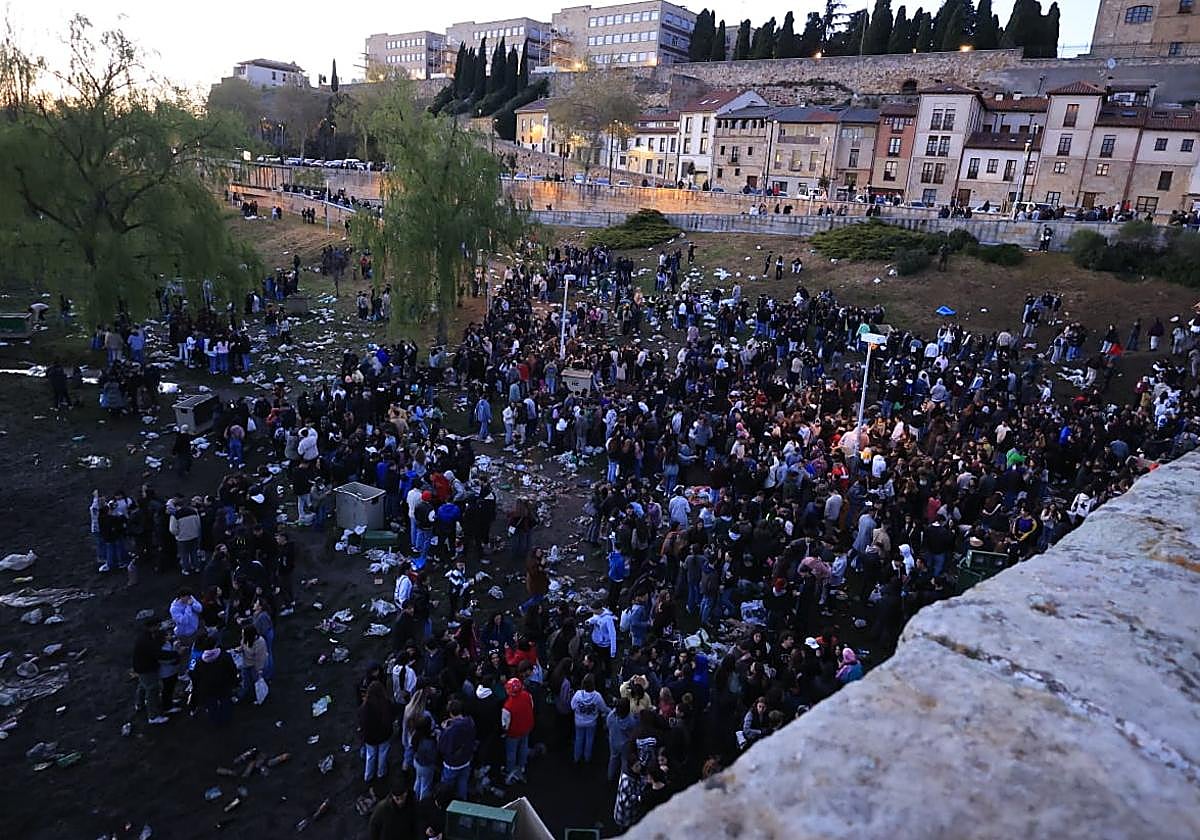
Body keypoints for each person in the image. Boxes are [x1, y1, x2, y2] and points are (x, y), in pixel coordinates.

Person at [131, 617, 174, 725]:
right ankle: (153, 716)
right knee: (152, 690)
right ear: (152, 627)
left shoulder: (144, 636)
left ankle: (139, 704)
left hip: (140, 666)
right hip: (147, 668)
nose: (159, 627)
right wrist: (175, 654)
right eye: (158, 625)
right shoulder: (147, 641)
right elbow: (158, 654)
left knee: (142, 685)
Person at [438, 698, 477, 799]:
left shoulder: (451, 731)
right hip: (466, 760)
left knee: (446, 788)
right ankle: (462, 803)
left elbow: (443, 747)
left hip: (452, 764)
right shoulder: (470, 723)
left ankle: (445, 802)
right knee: (462, 784)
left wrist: (444, 730)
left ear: (450, 713)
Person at [360, 680, 396, 783]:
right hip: (384, 736)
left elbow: (362, 723)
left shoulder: (365, 707)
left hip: (370, 738)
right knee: (382, 755)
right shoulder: (386, 704)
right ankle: (381, 773)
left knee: (370, 756)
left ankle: (368, 776)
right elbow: (391, 717)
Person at [501, 677, 535, 784]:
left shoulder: (508, 706)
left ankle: (510, 771)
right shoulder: (527, 695)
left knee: (511, 752)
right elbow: (532, 707)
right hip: (527, 727)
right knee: (523, 747)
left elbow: (505, 724)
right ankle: (522, 766)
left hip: (513, 733)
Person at [570, 673, 610, 764]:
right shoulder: (597, 696)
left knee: (578, 739)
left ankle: (576, 757)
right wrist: (610, 710)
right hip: (591, 722)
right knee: (589, 740)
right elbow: (603, 708)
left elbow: (572, 706)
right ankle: (587, 758)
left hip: (579, 721)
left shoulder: (578, 694)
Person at [368, 775, 417, 840]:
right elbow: (374, 829)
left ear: (406, 793)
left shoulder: (413, 805)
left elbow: (417, 825)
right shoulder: (382, 809)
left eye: (402, 797)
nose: (400, 801)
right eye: (397, 798)